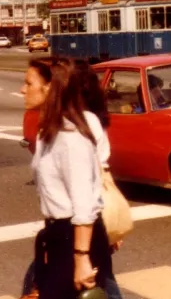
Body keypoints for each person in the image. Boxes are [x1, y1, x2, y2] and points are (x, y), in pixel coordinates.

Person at [22, 60, 124, 299]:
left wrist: (81, 258)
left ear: (50, 88)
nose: (22, 90)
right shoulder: (48, 132)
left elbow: (84, 204)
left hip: (75, 238)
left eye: (29, 83)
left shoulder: (71, 139)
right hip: (57, 236)